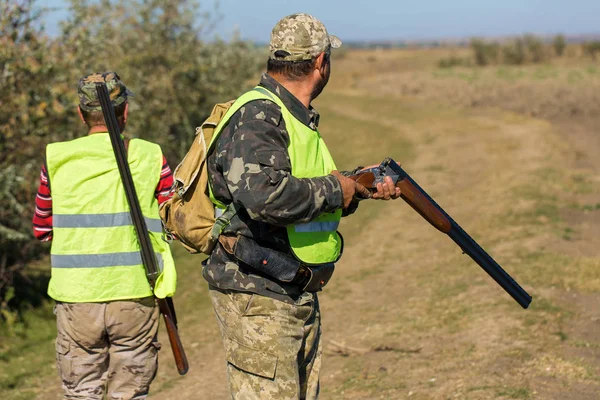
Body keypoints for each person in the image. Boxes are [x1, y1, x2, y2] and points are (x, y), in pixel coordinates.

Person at [203, 13, 401, 399]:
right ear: (319, 63)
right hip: (259, 293)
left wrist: (356, 186)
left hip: (290, 287)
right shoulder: (259, 114)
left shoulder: (288, 114)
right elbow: (263, 195)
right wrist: (334, 189)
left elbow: (294, 184)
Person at [32, 72, 177, 400]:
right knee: (130, 393)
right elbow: (173, 219)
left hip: (76, 298)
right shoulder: (151, 155)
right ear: (125, 112)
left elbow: (41, 230)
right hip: (136, 293)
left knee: (82, 393)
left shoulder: (55, 158)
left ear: (80, 114)